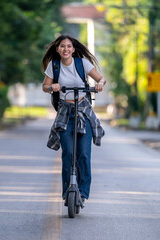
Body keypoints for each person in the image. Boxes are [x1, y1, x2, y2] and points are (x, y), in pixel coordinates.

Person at [41, 34, 105, 203]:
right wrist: (51, 87)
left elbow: (101, 78)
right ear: (57, 49)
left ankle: (83, 192)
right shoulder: (53, 66)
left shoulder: (82, 63)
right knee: (68, 153)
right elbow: (44, 86)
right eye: (62, 46)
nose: (66, 49)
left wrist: (99, 84)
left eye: (69, 46)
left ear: (73, 49)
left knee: (83, 154)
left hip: (83, 110)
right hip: (65, 113)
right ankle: (67, 191)